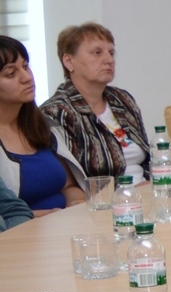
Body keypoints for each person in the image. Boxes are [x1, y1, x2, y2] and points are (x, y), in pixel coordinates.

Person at [39, 23, 151, 182]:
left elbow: (148, 161)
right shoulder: (57, 112)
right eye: (97, 53)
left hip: (145, 190)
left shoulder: (122, 99)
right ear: (69, 61)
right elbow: (70, 182)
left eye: (111, 53)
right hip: (103, 196)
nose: (109, 60)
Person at [0, 37, 83, 214]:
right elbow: (5, 215)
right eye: (11, 73)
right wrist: (44, 216)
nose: (26, 77)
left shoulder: (43, 124)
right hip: (22, 229)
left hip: (64, 223)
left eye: (25, 66)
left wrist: (77, 201)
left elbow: (68, 186)